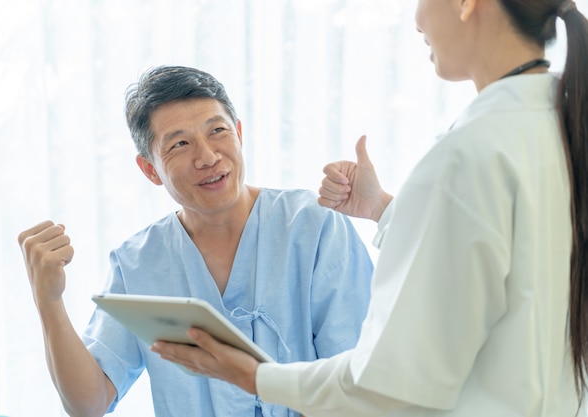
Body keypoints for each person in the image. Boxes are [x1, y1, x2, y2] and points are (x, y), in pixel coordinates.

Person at [151, 0, 588, 415]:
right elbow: (519, 266)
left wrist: (257, 377)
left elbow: (393, 381)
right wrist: (385, 209)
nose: (417, 20)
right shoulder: (559, 127)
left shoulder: (470, 153)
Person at [17, 66, 374, 417]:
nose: (207, 156)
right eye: (180, 144)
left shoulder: (314, 227)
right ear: (150, 169)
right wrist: (49, 302)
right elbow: (88, 403)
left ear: (238, 133)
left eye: (217, 131)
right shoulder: (139, 262)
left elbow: (358, 383)